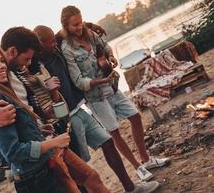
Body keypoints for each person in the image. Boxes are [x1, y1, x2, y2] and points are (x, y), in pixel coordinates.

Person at [0, 45, 111, 193]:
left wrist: (36, 130)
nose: (2, 65)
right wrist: (52, 142)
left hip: (42, 166)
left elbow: (17, 132)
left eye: (2, 61)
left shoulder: (3, 91)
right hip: (34, 177)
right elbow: (13, 153)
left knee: (88, 178)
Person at [32, 25, 160, 192]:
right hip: (64, 118)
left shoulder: (57, 50)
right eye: (50, 43)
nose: (55, 44)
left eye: (54, 40)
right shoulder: (35, 67)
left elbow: (67, 28)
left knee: (107, 143)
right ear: (39, 44)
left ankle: (131, 188)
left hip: (79, 108)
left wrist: (89, 25)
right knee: (78, 164)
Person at [60, 5, 170, 182]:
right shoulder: (67, 49)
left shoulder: (90, 33)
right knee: (115, 132)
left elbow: (106, 48)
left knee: (135, 117)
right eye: (75, 25)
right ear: (66, 26)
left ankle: (146, 160)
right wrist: (99, 81)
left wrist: (111, 57)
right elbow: (79, 82)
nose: (80, 27)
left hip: (111, 86)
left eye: (80, 22)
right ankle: (138, 167)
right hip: (95, 97)